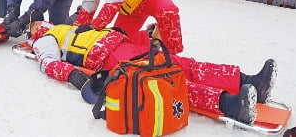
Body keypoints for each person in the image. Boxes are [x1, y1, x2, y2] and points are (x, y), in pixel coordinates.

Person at [27, 20, 276, 125]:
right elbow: (49, 64)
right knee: (165, 80)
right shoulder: (44, 40)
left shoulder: (67, 26)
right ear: (32, 34)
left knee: (183, 64)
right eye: (34, 25)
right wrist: (71, 74)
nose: (39, 24)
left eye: (38, 21)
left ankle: (249, 81)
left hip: (125, 44)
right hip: (108, 57)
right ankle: (231, 105)